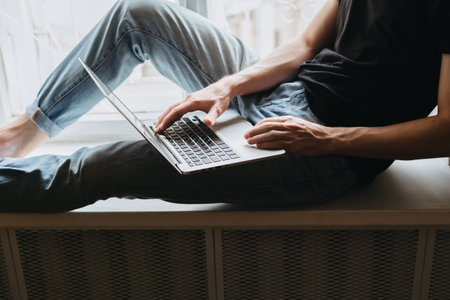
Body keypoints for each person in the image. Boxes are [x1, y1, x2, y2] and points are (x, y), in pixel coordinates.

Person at [0, 0, 448, 212]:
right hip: (288, 90)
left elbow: (446, 130)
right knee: (137, 13)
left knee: (93, 168)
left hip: (322, 146)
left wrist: (326, 140)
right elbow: (306, 45)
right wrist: (226, 86)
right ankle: (20, 135)